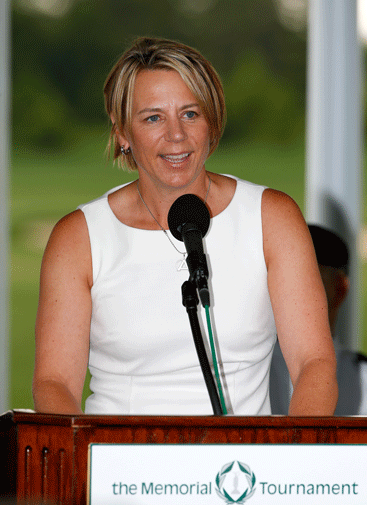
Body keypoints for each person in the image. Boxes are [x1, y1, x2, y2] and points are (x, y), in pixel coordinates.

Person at [32, 37, 337, 416]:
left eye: (190, 114)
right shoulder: (77, 238)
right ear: (122, 132)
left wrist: (289, 463)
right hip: (121, 469)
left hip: (240, 471)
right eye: (153, 117)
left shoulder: (272, 218)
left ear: (213, 120)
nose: (176, 135)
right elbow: (54, 384)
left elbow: (314, 364)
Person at [270, 224, 367, 415]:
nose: (286, 290)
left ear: (339, 288)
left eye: (305, 277)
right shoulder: (244, 365)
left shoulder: (362, 377)